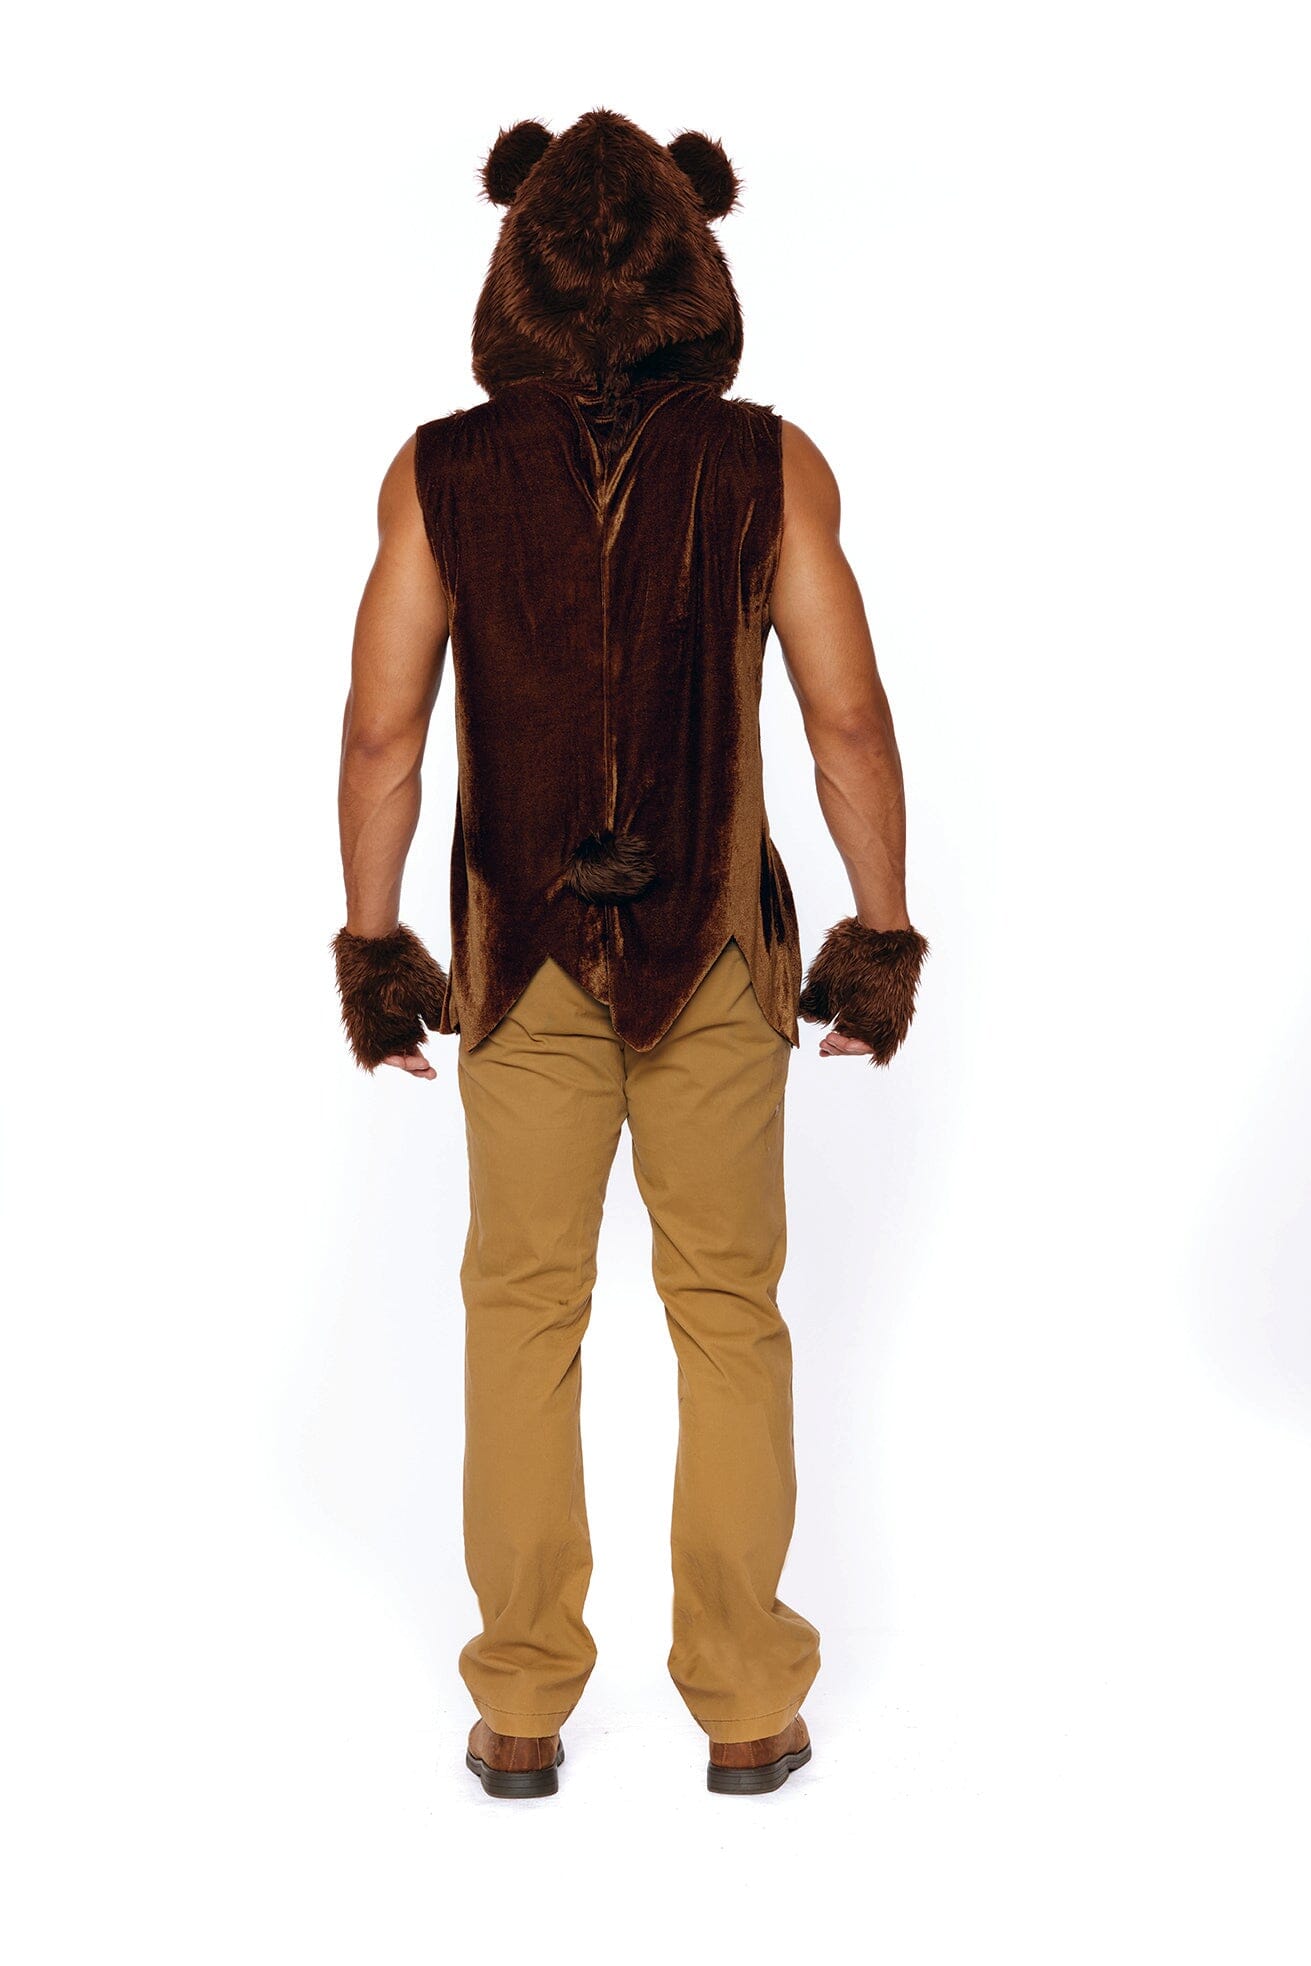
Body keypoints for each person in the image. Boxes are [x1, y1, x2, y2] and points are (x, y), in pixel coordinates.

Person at [332, 107, 929, 1800]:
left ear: (513, 266)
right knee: (727, 1309)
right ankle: (745, 1702)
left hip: (517, 955)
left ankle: (522, 1703)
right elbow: (849, 722)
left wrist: (376, 947)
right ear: (696, 264)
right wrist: (880, 933)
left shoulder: (439, 473)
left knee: (522, 1309)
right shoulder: (770, 465)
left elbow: (381, 736)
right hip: (715, 958)